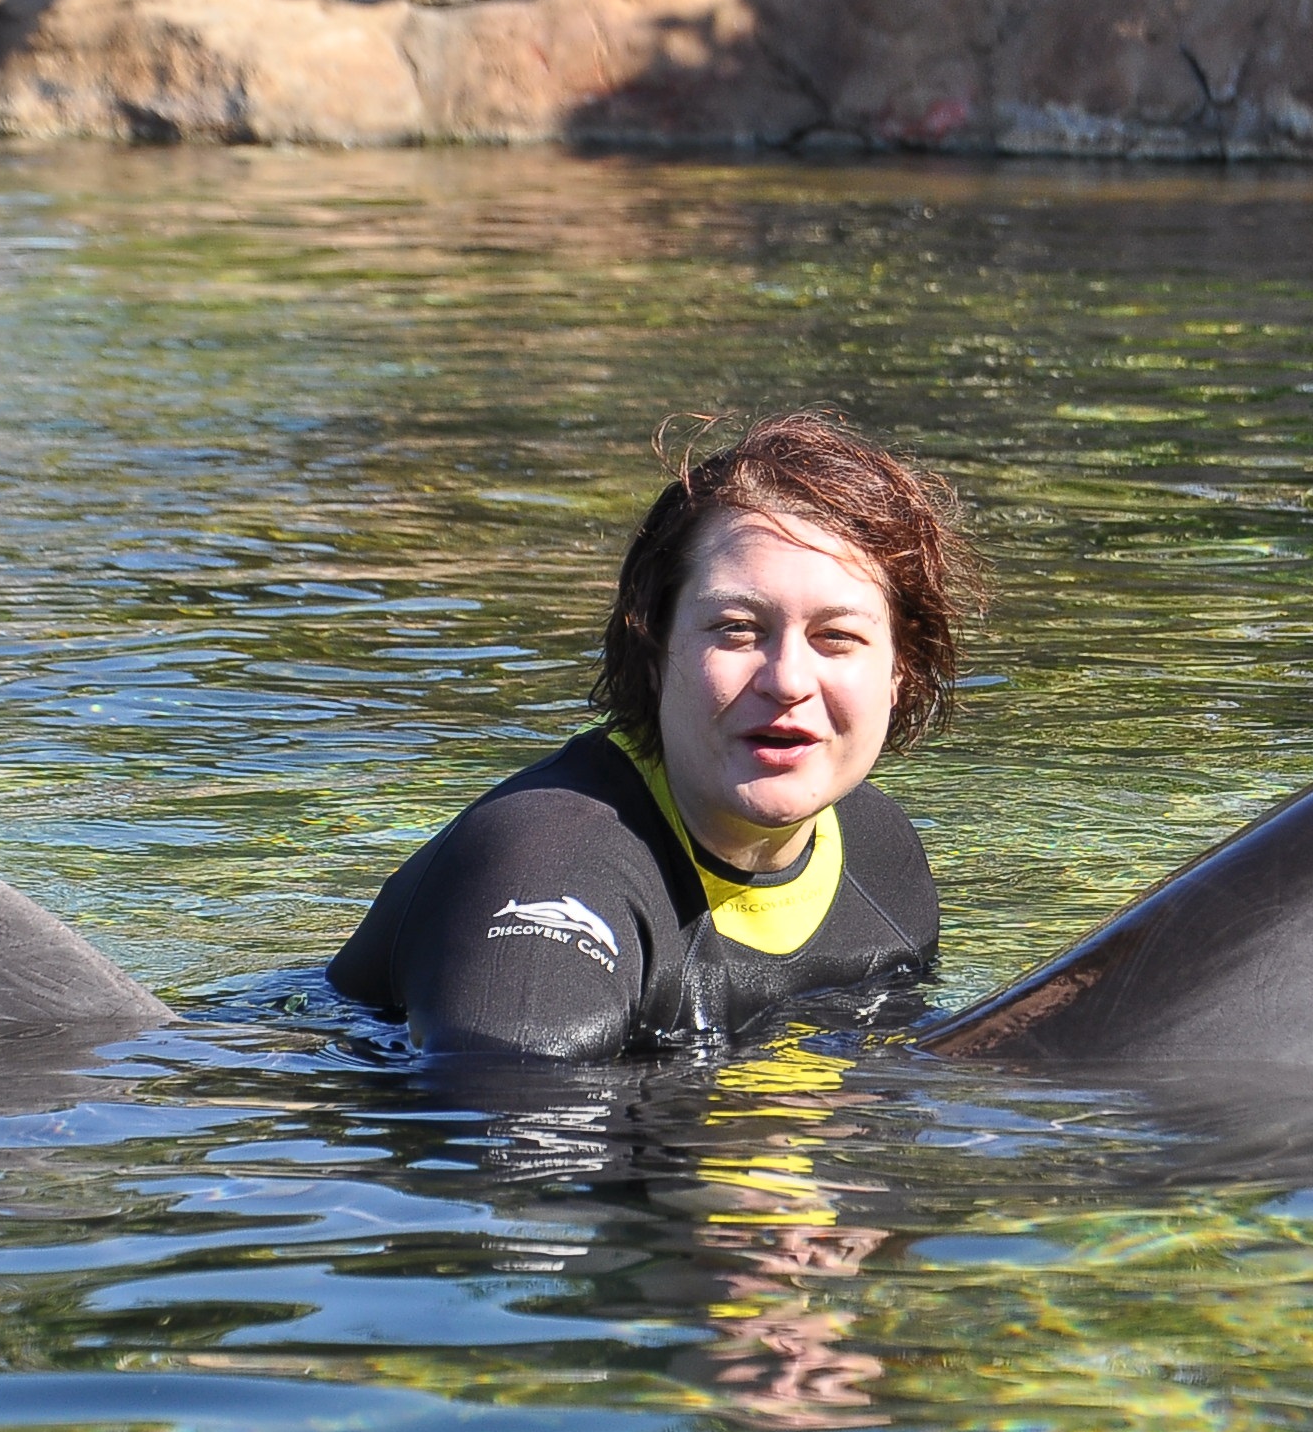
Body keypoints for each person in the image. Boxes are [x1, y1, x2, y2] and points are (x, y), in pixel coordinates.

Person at [328, 412, 988, 1059]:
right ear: (652, 651)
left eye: (837, 637)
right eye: (736, 629)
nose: (788, 680)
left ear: (901, 671)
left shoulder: (880, 855)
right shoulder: (551, 870)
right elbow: (502, 1122)